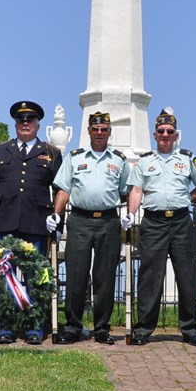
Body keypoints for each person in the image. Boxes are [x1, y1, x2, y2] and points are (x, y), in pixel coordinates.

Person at [0, 100, 63, 344]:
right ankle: (3, 327)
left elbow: (61, 188)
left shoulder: (51, 152)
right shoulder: (0, 151)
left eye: (30, 120)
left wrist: (58, 220)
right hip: (3, 221)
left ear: (38, 124)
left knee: (36, 276)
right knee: (3, 275)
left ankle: (34, 326)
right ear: (15, 124)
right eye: (20, 120)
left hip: (36, 222)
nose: (25, 124)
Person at [125, 108, 196, 347]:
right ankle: (143, 329)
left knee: (186, 275)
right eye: (161, 131)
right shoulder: (145, 161)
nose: (165, 134)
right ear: (154, 134)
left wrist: (189, 198)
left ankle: (190, 330)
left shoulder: (186, 158)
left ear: (176, 134)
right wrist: (131, 215)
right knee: (150, 276)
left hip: (181, 221)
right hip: (153, 222)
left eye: (169, 131)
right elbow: (137, 190)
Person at [52, 110, 130, 345]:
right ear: (88, 132)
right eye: (95, 129)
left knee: (105, 275)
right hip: (80, 220)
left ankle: (102, 328)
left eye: (103, 129)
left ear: (109, 132)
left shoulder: (119, 160)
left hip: (108, 220)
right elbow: (64, 189)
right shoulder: (75, 157)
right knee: (76, 273)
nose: (99, 133)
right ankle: (73, 327)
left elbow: (126, 191)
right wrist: (56, 215)